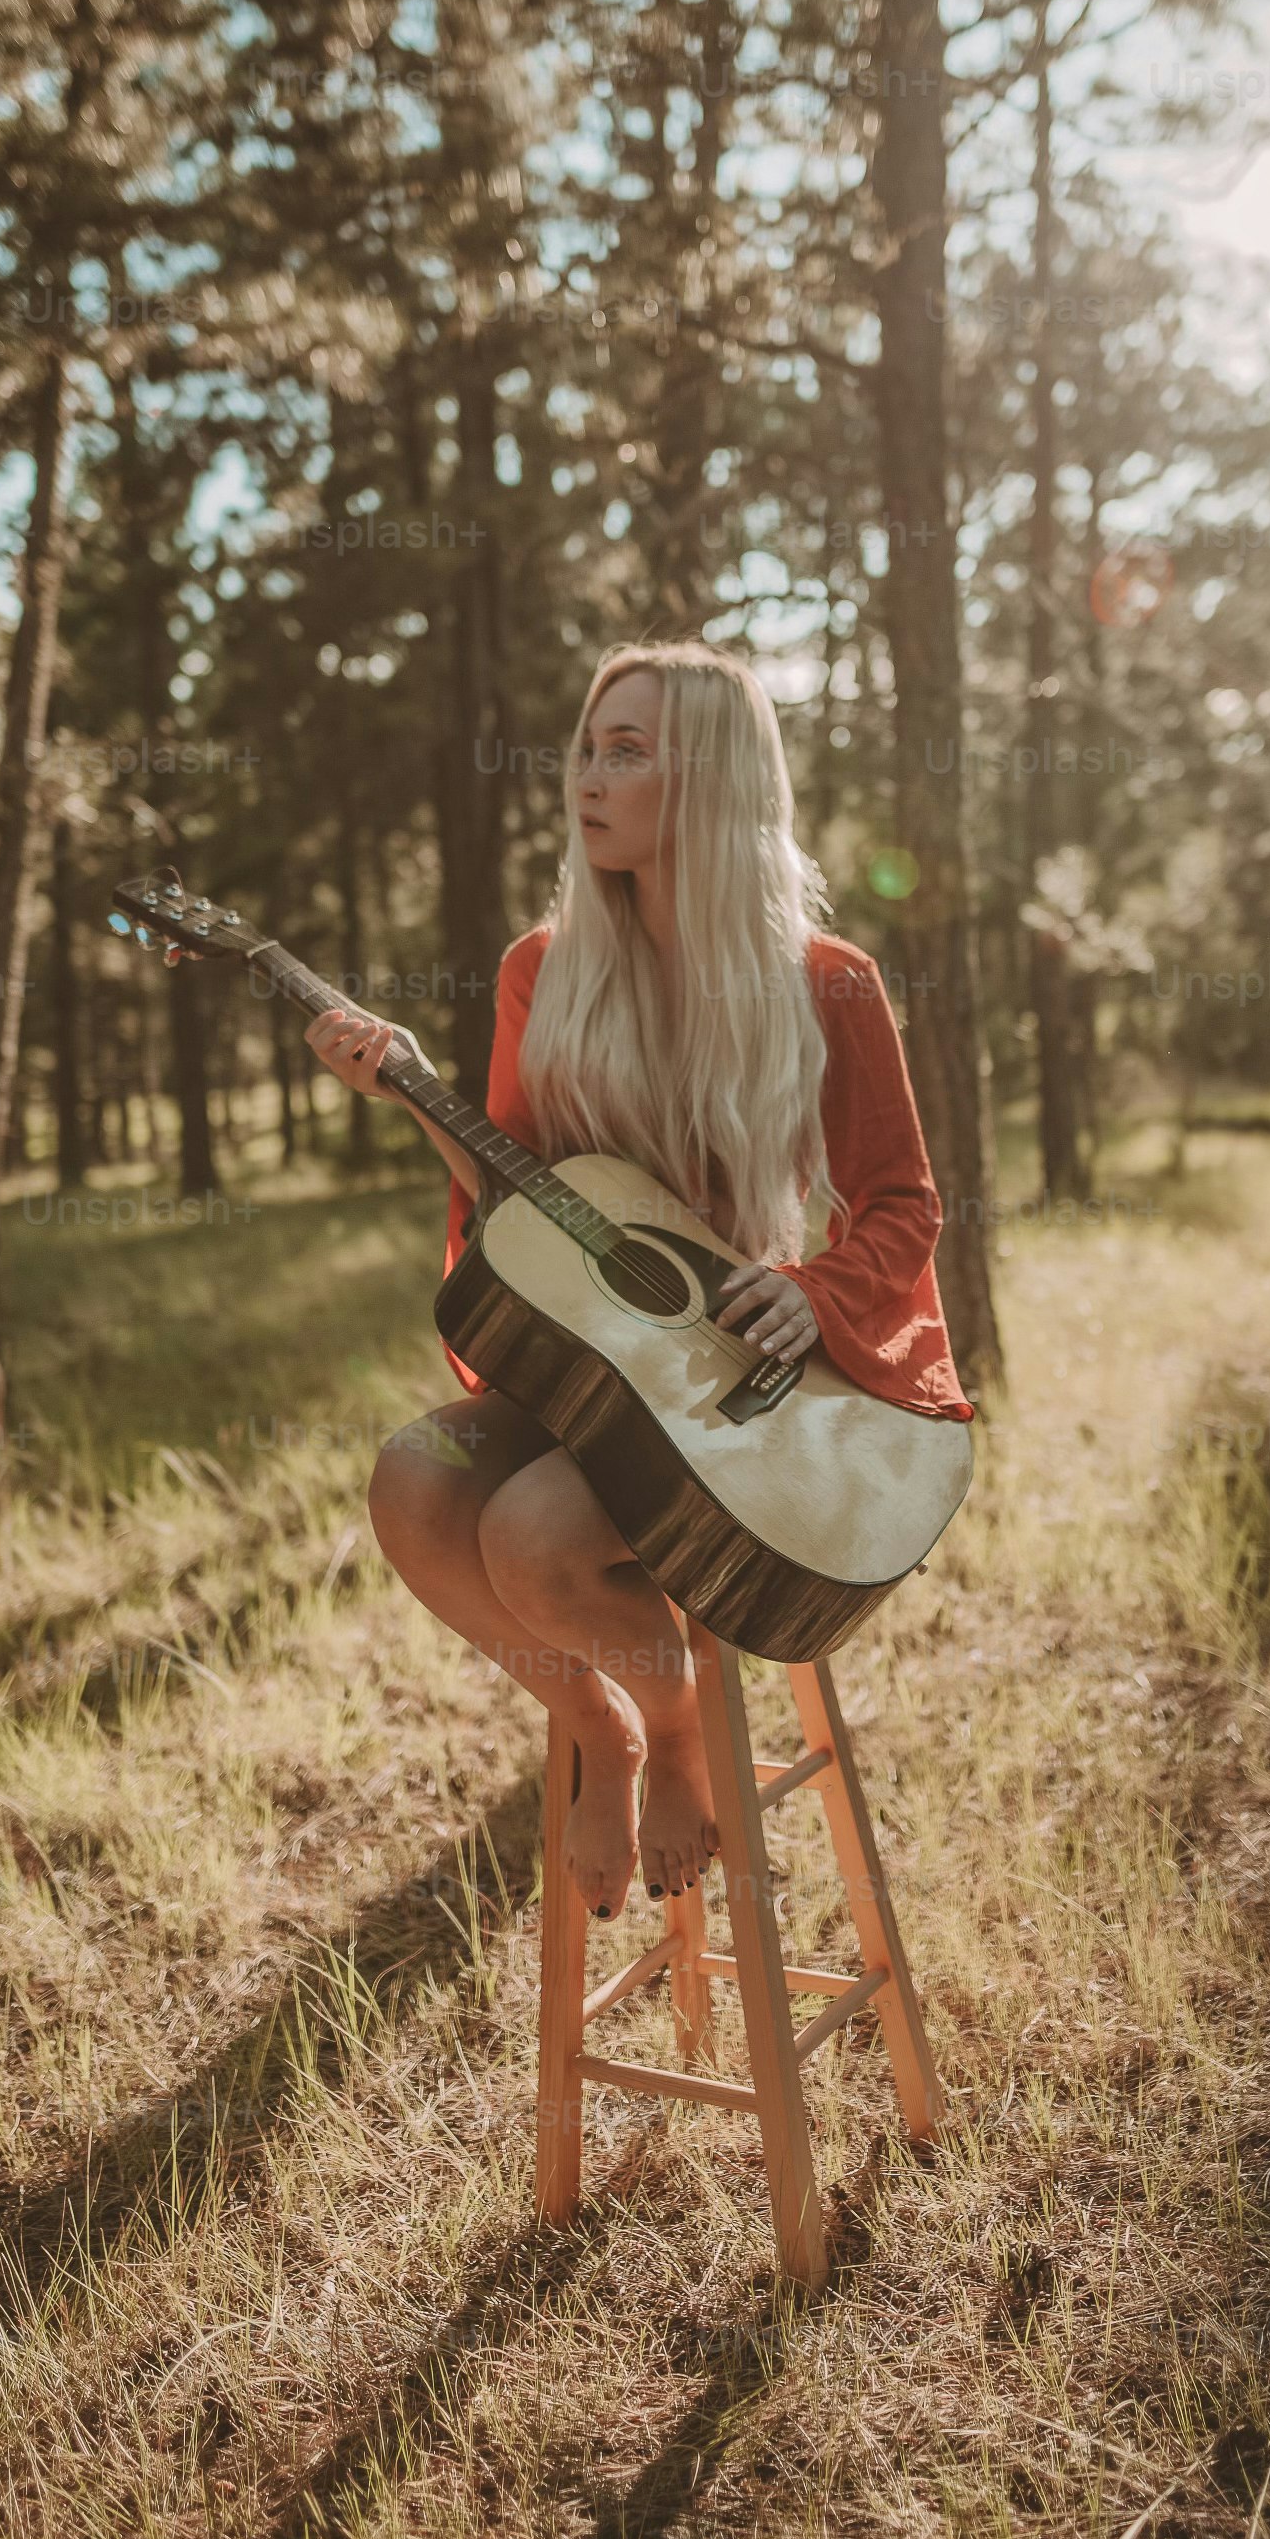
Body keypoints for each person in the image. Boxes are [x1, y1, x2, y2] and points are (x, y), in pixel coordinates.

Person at [305, 639, 973, 1926]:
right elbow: (525, 1190)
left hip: (740, 1379)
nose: (587, 778)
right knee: (415, 1477)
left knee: (535, 1534)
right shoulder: (540, 970)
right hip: (598, 1360)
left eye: (628, 751)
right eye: (586, 749)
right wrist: (407, 1084)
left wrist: (818, 1295)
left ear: (714, 781)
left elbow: (904, 1204)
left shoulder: (829, 985)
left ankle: (677, 1735)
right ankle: (601, 1726)